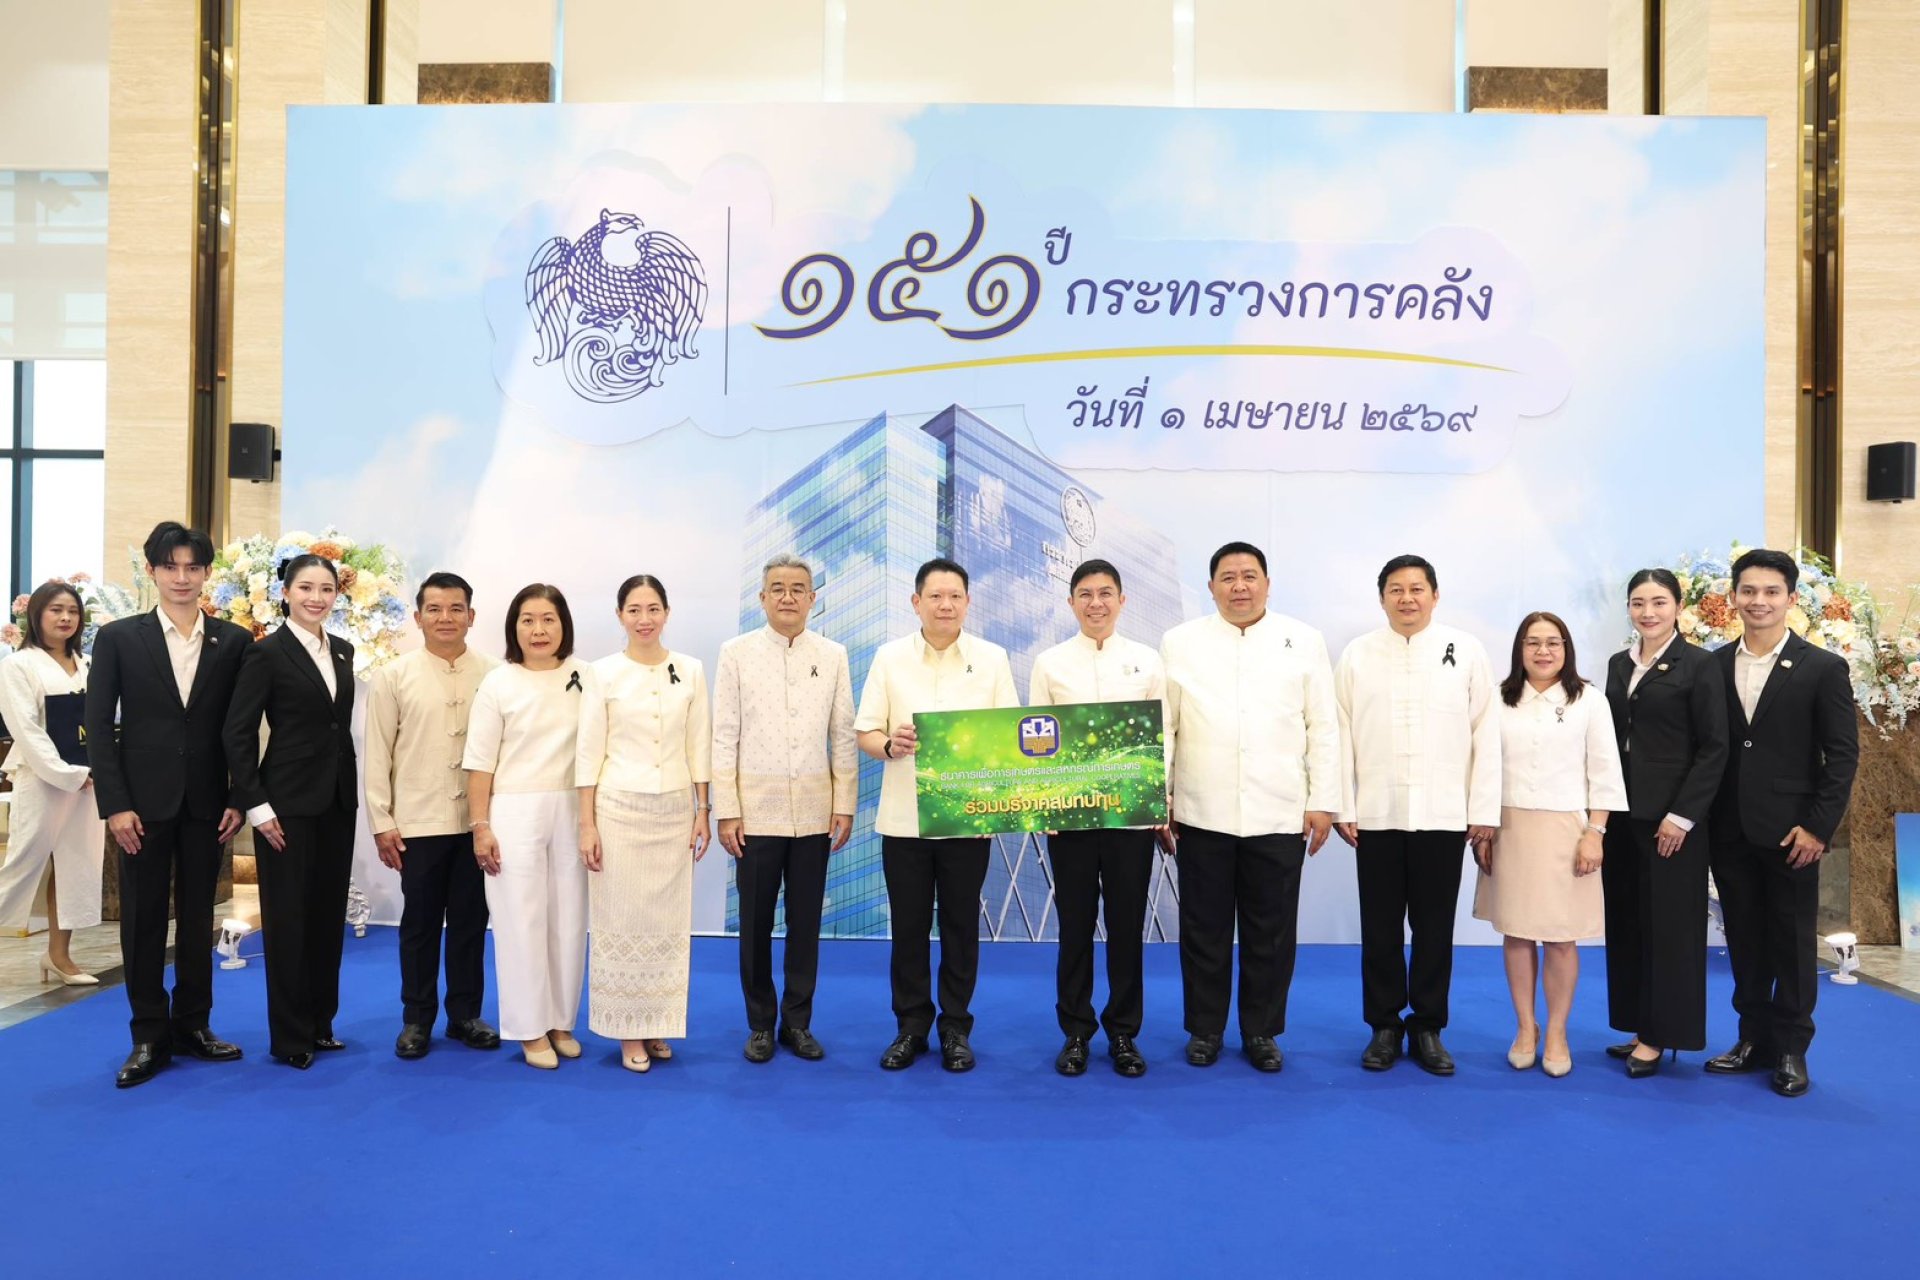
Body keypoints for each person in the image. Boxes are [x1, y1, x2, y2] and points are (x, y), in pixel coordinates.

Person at [1160, 542, 1340, 1073]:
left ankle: (1261, 1031)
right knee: (1204, 929)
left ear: (1267, 583)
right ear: (1211, 586)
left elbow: (1322, 726)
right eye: (1228, 577)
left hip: (1279, 809)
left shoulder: (1303, 640)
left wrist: (1324, 800)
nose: (1239, 586)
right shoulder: (1180, 642)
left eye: (1249, 576)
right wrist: (1159, 797)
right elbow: (1166, 725)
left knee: (1272, 931)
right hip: (1201, 809)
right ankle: (1205, 1029)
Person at [86, 521, 250, 1088]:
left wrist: (238, 796)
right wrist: (115, 803)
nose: (182, 577)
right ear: (153, 571)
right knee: (143, 919)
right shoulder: (118, 638)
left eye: (192, 567)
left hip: (209, 805)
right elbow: (98, 727)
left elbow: (241, 729)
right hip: (140, 806)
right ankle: (149, 1035)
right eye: (170, 566)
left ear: (207, 574)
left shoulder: (232, 641)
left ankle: (194, 1025)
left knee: (199, 918)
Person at [1335, 554, 1499, 1076]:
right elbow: (1338, 733)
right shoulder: (1358, 654)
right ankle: (1384, 1026)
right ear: (1382, 597)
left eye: (1417, 588)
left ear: (1435, 595)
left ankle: (1428, 1026)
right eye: (1396, 589)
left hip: (1444, 814)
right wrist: (1342, 804)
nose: (1407, 598)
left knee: (1434, 929)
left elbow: (1486, 731)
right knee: (1380, 927)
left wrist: (1483, 809)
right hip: (1376, 815)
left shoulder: (1465, 650)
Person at [855, 557, 1018, 1072]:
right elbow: (865, 732)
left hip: (968, 819)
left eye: (955, 597)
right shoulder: (889, 658)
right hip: (904, 820)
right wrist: (890, 745)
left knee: (960, 927)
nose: (945, 605)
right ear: (916, 602)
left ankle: (955, 1029)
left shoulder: (992, 659)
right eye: (935, 596)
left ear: (967, 603)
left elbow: (1011, 736)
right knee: (907, 929)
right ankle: (910, 1027)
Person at [1706, 549, 1858, 1098]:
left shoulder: (1821, 667)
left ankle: (1792, 1047)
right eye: (1748, 591)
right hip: (1729, 830)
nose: (1759, 601)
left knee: (1792, 943)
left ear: (1791, 598)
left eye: (1771, 591)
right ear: (1733, 597)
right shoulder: (1713, 665)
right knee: (1744, 940)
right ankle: (1752, 1038)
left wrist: (1818, 827)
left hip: (1794, 833)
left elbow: (1842, 756)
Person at [712, 554, 855, 1064]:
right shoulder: (736, 654)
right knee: (754, 924)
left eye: (798, 589)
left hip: (815, 813)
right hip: (754, 815)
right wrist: (727, 810)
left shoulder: (832, 655)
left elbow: (843, 734)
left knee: (804, 924)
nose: (788, 597)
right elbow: (724, 734)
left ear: (812, 598)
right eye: (777, 588)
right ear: (762, 598)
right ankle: (759, 1024)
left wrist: (844, 804)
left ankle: (797, 1022)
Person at [1470, 612, 1626, 1077]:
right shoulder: (1497, 699)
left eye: (1553, 643)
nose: (1543, 651)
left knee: (1561, 938)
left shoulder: (1589, 700)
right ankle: (1525, 1027)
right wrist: (1483, 828)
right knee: (1516, 933)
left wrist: (1595, 833)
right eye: (1532, 642)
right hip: (1510, 827)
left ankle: (1557, 1031)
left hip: (1568, 831)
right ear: (1519, 649)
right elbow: (1482, 767)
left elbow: (1605, 771)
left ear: (1566, 649)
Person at [1029, 558, 1167, 1078]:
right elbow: (1035, 739)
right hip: (1071, 820)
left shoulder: (1146, 660)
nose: (1096, 603)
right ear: (1071, 603)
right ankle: (1075, 1032)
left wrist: (1159, 800)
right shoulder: (1050, 663)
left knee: (1127, 928)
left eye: (1106, 593)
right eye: (1085, 594)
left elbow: (1164, 734)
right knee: (1075, 927)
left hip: (1131, 818)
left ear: (1122, 600)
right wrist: (1045, 803)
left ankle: (1124, 1032)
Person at [225, 554, 359, 1070]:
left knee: (326, 917)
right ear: (285, 593)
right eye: (305, 587)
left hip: (337, 801)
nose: (316, 598)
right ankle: (290, 1036)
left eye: (326, 589)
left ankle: (321, 1023)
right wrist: (256, 805)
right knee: (288, 921)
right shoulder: (265, 653)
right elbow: (237, 733)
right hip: (284, 805)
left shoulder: (343, 650)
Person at [577, 574, 712, 1074]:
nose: (644, 619)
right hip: (618, 811)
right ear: (620, 616)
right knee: (621, 919)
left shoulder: (690, 669)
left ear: (667, 613)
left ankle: (655, 1021)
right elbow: (588, 752)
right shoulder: (602, 673)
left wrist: (703, 810)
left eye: (653, 609)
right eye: (634, 610)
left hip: (674, 813)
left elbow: (699, 743)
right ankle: (627, 1030)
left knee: (666, 924)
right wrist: (587, 824)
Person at [365, 571, 501, 1059]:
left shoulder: (495, 674)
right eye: (435, 609)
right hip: (417, 823)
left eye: (456, 608)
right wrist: (382, 821)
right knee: (419, 925)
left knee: (470, 922)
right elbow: (377, 753)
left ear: (472, 616)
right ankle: (417, 1019)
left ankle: (465, 1015)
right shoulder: (394, 675)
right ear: (418, 617)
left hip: (476, 823)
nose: (446, 618)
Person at [1601, 569, 1728, 1078]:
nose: (1647, 612)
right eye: (1638, 602)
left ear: (1678, 606)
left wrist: (1682, 816)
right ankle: (1639, 1025)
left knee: (1670, 930)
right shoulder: (1618, 663)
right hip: (1621, 816)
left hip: (1672, 823)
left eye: (1658, 602)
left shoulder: (1700, 665)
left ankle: (1661, 1034)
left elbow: (1714, 747)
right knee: (1629, 923)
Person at [464, 584, 592, 1070]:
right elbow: (480, 763)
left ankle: (560, 1020)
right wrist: (481, 826)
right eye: (528, 620)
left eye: (548, 619)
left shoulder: (587, 676)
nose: (539, 630)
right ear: (514, 628)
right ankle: (529, 1027)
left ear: (564, 624)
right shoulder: (499, 683)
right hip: (514, 811)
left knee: (569, 919)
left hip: (574, 807)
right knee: (521, 921)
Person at [0, 582, 106, 984]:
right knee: (23, 863)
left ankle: (59, 956)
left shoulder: (89, 663)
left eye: (73, 611)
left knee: (77, 865)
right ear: (37, 615)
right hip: (43, 778)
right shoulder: (18, 665)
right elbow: (26, 729)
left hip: (89, 781)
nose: (65, 618)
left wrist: (97, 770)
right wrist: (66, 774)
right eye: (56, 610)